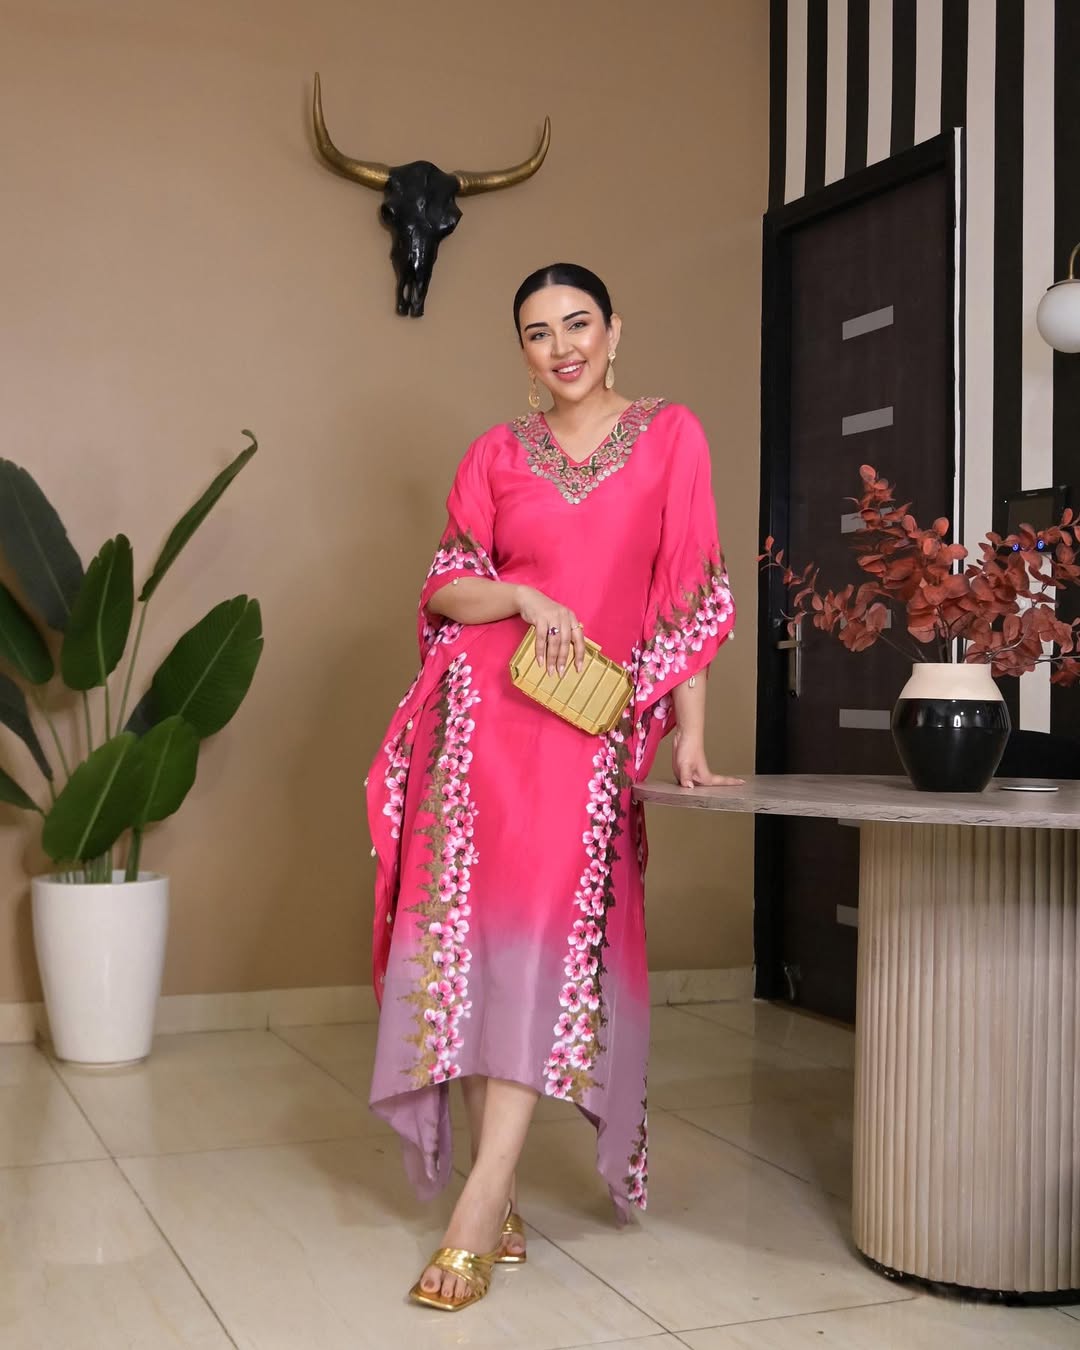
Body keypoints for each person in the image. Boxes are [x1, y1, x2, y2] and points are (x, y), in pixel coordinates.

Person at [365, 263, 739, 1312]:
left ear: (615, 330)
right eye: (539, 332)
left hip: (586, 736)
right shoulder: (496, 452)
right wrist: (523, 597)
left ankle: (481, 1200)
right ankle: (499, 1194)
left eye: (579, 324)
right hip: (477, 729)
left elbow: (688, 590)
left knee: (543, 953)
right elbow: (448, 585)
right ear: (523, 351)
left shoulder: (671, 436)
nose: (562, 346)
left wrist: (690, 737)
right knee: (476, 954)